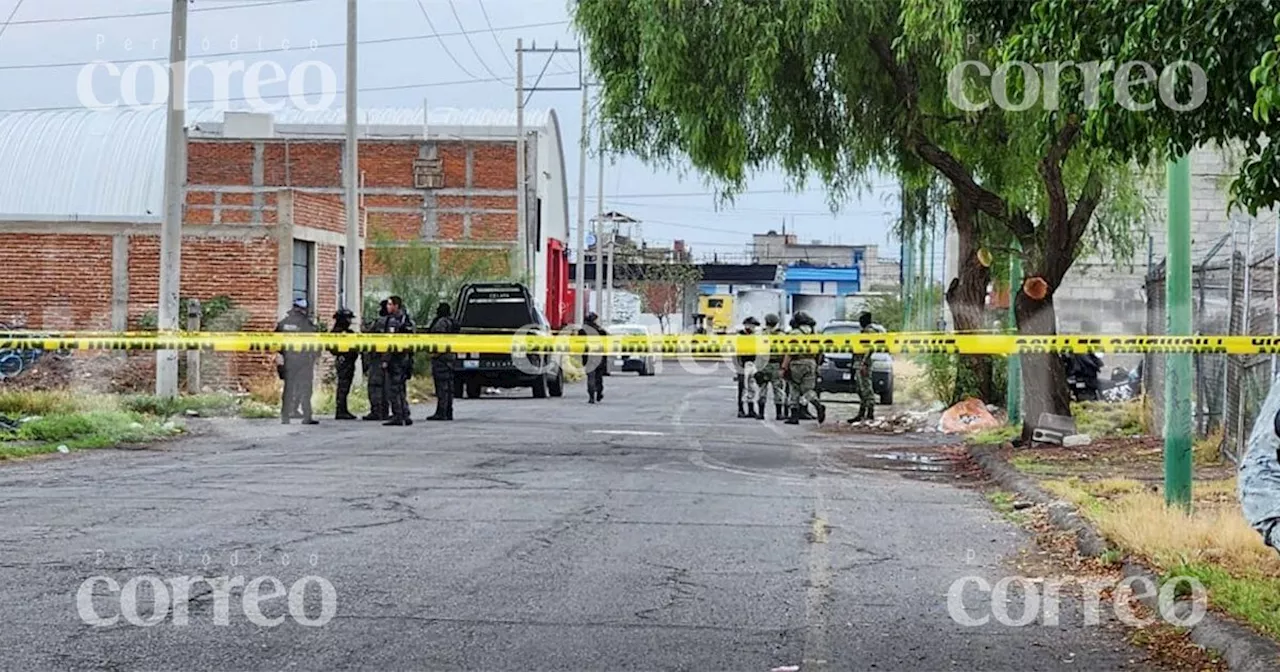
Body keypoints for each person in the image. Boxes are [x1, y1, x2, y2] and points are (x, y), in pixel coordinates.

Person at [275, 297, 319, 425]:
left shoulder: (283, 323)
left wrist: (281, 358)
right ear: (302, 309)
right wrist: (314, 356)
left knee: (288, 388)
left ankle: (285, 416)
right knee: (305, 389)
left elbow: (276, 342)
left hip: (288, 361)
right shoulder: (306, 323)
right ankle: (307, 416)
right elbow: (314, 342)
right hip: (303, 361)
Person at [782, 311, 826, 425]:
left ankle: (794, 416)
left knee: (794, 388)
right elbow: (820, 352)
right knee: (808, 390)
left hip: (797, 362)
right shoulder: (814, 334)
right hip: (811, 362)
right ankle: (817, 404)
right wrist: (816, 365)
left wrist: (784, 367)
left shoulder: (794, 334)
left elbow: (789, 352)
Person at [382, 296, 414, 426]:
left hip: (395, 360)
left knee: (394, 389)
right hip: (405, 358)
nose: (387, 307)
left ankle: (397, 415)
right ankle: (405, 414)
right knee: (401, 388)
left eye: (390, 304)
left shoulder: (394, 321)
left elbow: (391, 342)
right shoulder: (407, 320)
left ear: (396, 306)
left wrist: (385, 360)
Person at [426, 302, 459, 421]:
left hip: (441, 359)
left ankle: (442, 412)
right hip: (450, 357)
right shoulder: (452, 322)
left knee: (442, 387)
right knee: (449, 387)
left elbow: (439, 341)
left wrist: (435, 354)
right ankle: (448, 411)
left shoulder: (441, 323)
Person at [362, 300, 390, 421]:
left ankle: (376, 411)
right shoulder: (397, 321)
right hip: (391, 359)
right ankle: (385, 410)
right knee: (386, 386)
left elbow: (368, 333)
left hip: (378, 358)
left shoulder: (380, 322)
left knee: (375, 385)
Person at [330, 307, 359, 420]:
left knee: (345, 386)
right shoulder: (336, 333)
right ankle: (340, 410)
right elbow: (331, 348)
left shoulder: (349, 332)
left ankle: (343, 409)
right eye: (348, 318)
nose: (350, 321)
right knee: (343, 386)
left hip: (349, 361)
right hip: (343, 361)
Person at [848, 311, 877, 424]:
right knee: (860, 389)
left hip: (863, 363)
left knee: (866, 388)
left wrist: (863, 364)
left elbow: (869, 349)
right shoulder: (864, 332)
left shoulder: (869, 332)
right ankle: (862, 413)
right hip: (858, 362)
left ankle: (870, 413)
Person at [760, 313, 787, 420]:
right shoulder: (782, 336)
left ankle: (761, 413)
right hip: (776, 365)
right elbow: (786, 352)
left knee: (762, 388)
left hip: (764, 364)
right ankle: (779, 413)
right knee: (778, 389)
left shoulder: (762, 334)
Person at [736, 316, 763, 419]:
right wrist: (739, 367)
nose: (753, 328)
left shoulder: (755, 337)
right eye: (752, 325)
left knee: (752, 387)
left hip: (753, 363)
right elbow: (737, 353)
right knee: (742, 388)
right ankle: (741, 409)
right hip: (743, 363)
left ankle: (751, 409)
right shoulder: (740, 336)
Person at [579, 312, 607, 403]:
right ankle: (599, 392)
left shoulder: (582, 331)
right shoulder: (600, 330)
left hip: (588, 356)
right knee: (598, 376)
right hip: (598, 356)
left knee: (591, 376)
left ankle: (591, 396)